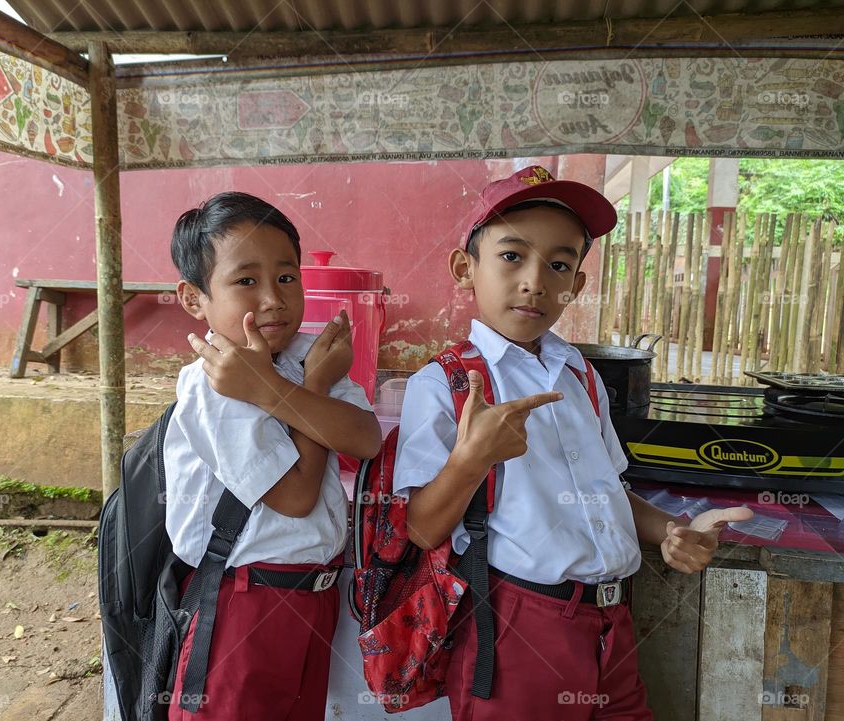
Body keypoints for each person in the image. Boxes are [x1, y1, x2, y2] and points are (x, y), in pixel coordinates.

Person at [392, 165, 753, 721]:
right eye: (512, 256)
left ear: (576, 285)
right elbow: (419, 528)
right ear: (466, 268)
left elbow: (610, 490)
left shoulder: (578, 374)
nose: (536, 279)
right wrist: (472, 459)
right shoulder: (445, 383)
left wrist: (669, 531)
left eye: (559, 264)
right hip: (517, 626)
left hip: (612, 623)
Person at [165, 191, 382, 720]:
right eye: (245, 281)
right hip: (245, 605)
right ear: (195, 299)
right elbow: (296, 496)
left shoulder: (313, 357)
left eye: (287, 277)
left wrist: (283, 387)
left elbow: (365, 437)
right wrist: (291, 391)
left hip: (315, 598)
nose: (272, 299)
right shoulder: (211, 383)